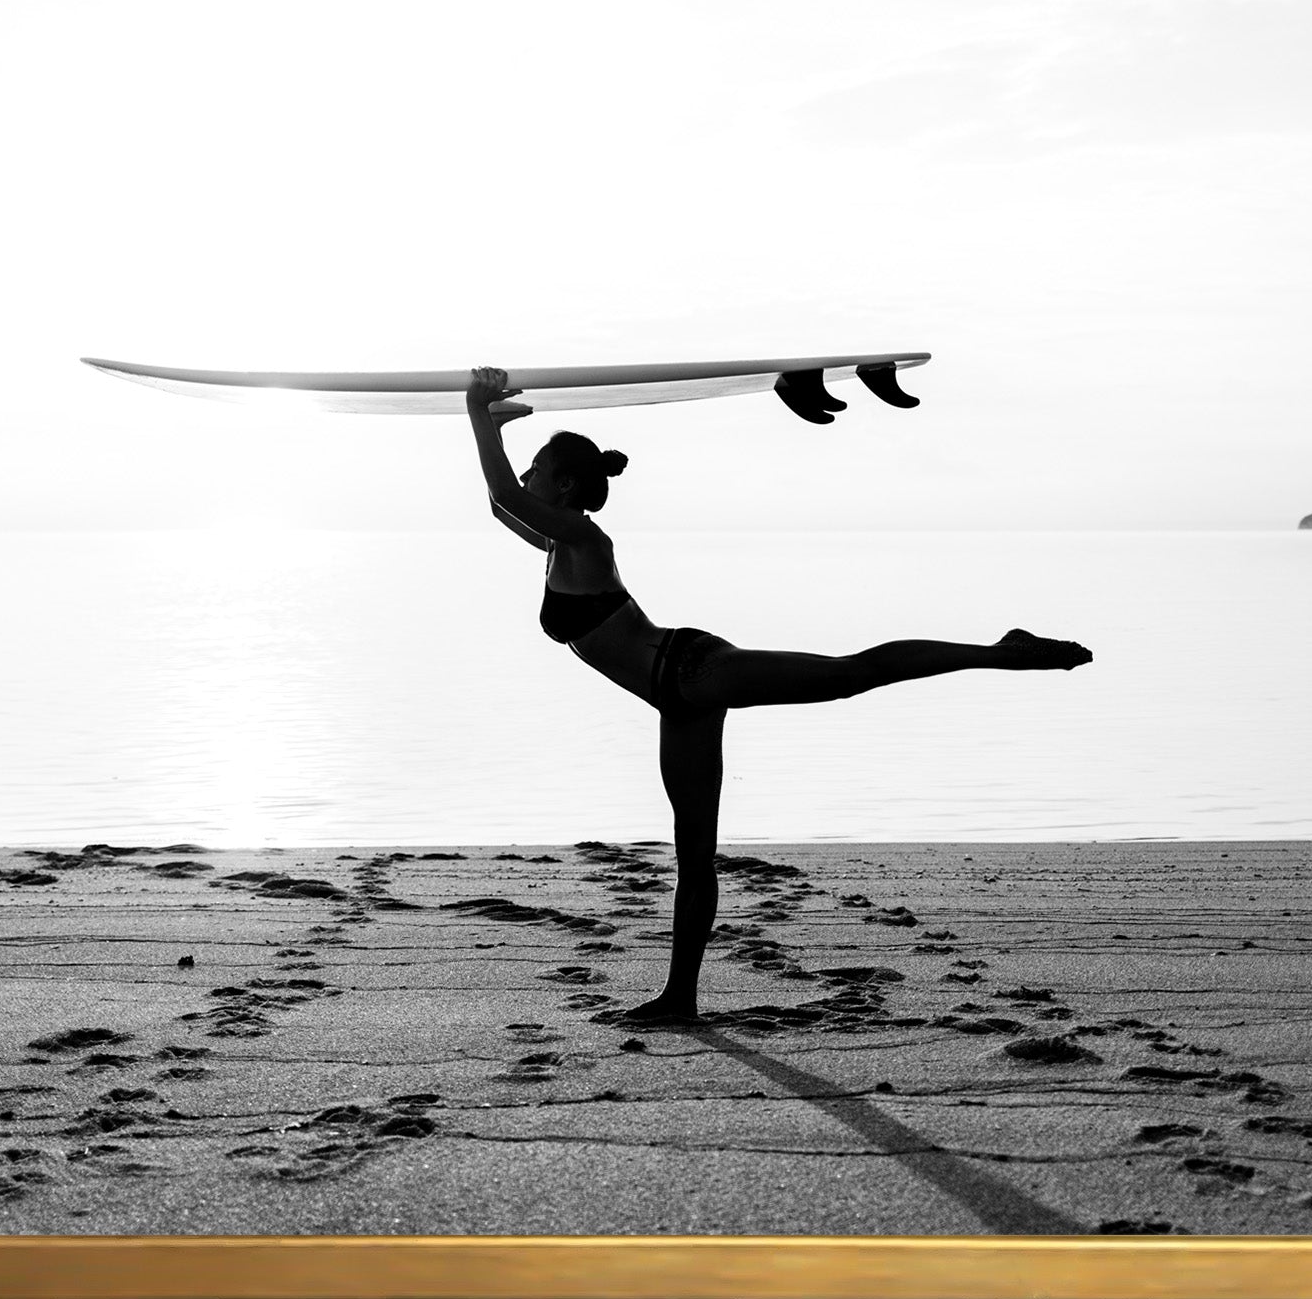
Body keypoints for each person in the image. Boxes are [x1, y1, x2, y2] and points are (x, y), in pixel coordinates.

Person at [464, 366, 1090, 1024]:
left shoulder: (586, 540)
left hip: (695, 672)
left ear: (562, 484)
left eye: (540, 467)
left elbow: (505, 490)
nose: (529, 476)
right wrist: (494, 424)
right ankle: (680, 998)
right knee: (693, 851)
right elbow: (499, 499)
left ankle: (999, 650)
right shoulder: (557, 544)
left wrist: (478, 409)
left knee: (847, 675)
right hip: (676, 703)